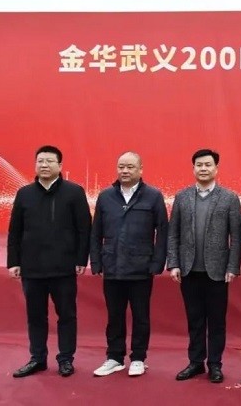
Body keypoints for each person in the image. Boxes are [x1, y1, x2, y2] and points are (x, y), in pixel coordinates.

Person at [7, 145, 91, 378]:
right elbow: (15, 231)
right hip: (32, 268)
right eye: (40, 161)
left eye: (49, 161)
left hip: (64, 268)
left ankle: (65, 359)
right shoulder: (24, 194)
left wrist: (81, 259)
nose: (44, 165)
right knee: (35, 316)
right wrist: (13, 261)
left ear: (60, 165)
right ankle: (37, 358)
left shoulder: (74, 192)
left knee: (67, 316)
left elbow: (84, 229)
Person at [89, 152, 168, 377]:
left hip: (141, 268)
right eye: (121, 166)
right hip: (112, 266)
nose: (125, 171)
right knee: (114, 316)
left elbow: (163, 231)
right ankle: (114, 357)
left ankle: (138, 357)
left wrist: (157, 263)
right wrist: (96, 261)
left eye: (130, 167)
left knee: (141, 316)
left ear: (140, 169)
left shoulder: (153, 196)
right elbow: (96, 232)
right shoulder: (106, 196)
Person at [167, 149, 241, 383]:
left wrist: (233, 267)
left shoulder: (229, 197)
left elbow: (236, 237)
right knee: (195, 320)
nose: (203, 169)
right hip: (188, 269)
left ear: (216, 168)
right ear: (193, 168)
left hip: (217, 271)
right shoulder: (182, 197)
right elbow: (173, 233)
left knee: (217, 321)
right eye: (199, 165)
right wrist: (173, 263)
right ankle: (196, 362)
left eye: (208, 165)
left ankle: (215, 365)